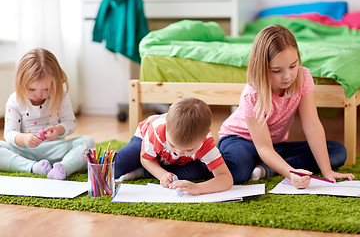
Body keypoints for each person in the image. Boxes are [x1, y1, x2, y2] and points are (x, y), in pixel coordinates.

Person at [218, 25, 354, 189]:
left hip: (274, 145)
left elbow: (312, 125)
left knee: (337, 151)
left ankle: (265, 168)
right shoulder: (252, 95)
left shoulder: (303, 78)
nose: (288, 76)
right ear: (261, 68)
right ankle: (210, 160)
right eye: (277, 70)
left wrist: (327, 171)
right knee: (238, 172)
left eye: (293, 66)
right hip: (240, 140)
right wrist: (291, 173)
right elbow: (263, 147)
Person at [0, 48, 95, 180]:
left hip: (55, 149)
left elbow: (71, 123)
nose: (39, 94)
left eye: (46, 89)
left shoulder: (60, 97)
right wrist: (24, 139)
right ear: (21, 83)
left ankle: (63, 167)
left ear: (55, 83)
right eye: (32, 89)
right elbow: (9, 135)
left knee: (88, 142)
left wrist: (58, 130)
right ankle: (33, 167)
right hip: (24, 152)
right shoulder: (15, 101)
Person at [114, 97, 233, 195]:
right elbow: (145, 159)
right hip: (143, 142)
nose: (179, 153)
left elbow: (226, 178)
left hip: (174, 162)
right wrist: (161, 174)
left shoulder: (206, 145)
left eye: (189, 149)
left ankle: (143, 172)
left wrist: (199, 188)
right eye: (172, 145)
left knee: (198, 172)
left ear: (205, 135)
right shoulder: (156, 132)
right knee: (117, 165)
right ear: (166, 127)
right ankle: (149, 169)